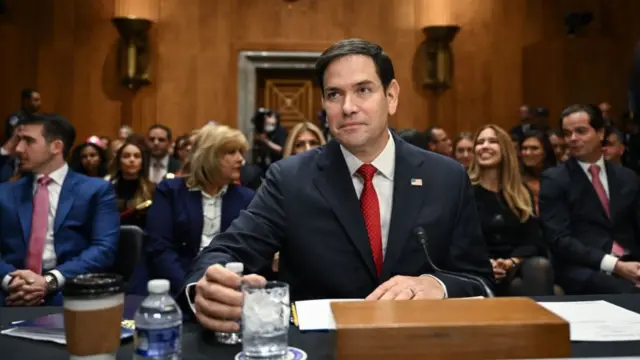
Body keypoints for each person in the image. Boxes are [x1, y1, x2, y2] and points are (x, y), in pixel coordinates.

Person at [183, 38, 493, 332]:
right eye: (334, 94)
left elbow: (479, 281)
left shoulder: (446, 177)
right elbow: (228, 249)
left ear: (392, 95)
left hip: (420, 345)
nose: (347, 107)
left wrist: (437, 285)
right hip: (321, 349)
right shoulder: (289, 179)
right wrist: (206, 288)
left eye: (363, 90)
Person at [0, 114, 119, 306]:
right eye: (19, 140)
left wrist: (50, 281)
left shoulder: (95, 191)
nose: (18, 148)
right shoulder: (4, 193)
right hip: (10, 294)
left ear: (56, 147)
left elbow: (104, 249)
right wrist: (11, 280)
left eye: (28, 141)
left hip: (70, 292)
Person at [540, 104, 640, 294]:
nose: (573, 139)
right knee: (629, 294)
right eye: (567, 133)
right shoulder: (555, 179)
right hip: (583, 267)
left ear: (600, 133)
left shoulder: (627, 177)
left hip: (631, 261)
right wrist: (614, 265)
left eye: (581, 131)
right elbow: (560, 240)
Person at [146, 124, 255, 295]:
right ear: (208, 156)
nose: (241, 159)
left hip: (228, 289)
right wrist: (190, 288)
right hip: (173, 288)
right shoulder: (170, 191)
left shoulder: (246, 198)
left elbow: (249, 252)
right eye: (231, 152)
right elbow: (160, 249)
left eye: (241, 152)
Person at [469, 125, 554, 296]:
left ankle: (538, 323)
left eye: (493, 141)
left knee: (539, 267)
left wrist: (511, 262)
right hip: (475, 265)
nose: (484, 146)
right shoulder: (464, 189)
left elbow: (533, 241)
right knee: (519, 288)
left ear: (505, 149)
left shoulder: (520, 192)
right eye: (480, 142)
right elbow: (460, 239)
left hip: (516, 266)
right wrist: (487, 263)